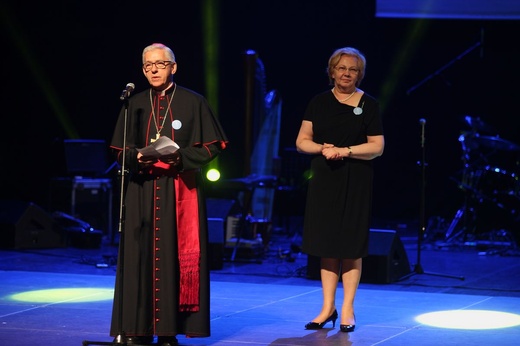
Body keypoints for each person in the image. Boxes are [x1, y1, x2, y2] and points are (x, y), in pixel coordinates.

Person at [109, 43, 228, 345]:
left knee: (175, 259)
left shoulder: (193, 101)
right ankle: (136, 329)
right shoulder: (133, 103)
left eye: (160, 64)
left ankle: (168, 331)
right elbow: (118, 151)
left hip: (179, 189)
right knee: (139, 258)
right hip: (141, 192)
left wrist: (181, 158)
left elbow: (213, 146)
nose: (153, 69)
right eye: (148, 65)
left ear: (173, 67)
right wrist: (134, 156)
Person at [295, 47, 384, 333]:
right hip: (324, 179)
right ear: (332, 71)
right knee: (326, 245)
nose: (347, 73)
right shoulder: (318, 102)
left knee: (350, 245)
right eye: (342, 68)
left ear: (360, 74)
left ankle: (347, 309)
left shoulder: (368, 105)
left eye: (353, 69)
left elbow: (376, 147)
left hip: (355, 178)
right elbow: (302, 141)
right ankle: (327, 308)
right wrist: (324, 148)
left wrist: (344, 151)